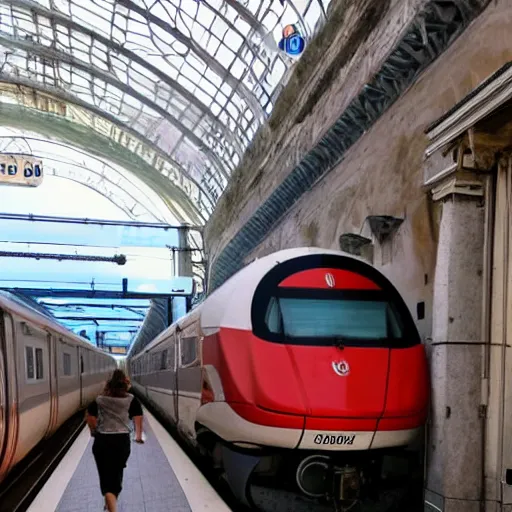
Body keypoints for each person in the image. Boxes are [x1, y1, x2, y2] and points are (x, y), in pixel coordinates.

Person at [85, 369, 144, 512]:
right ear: (125, 383)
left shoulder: (99, 400)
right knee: (116, 476)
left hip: (102, 441)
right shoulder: (131, 399)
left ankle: (110, 500)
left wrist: (94, 431)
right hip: (121, 442)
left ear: (109, 384)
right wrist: (138, 436)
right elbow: (138, 416)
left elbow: (90, 416)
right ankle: (111, 503)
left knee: (106, 478)